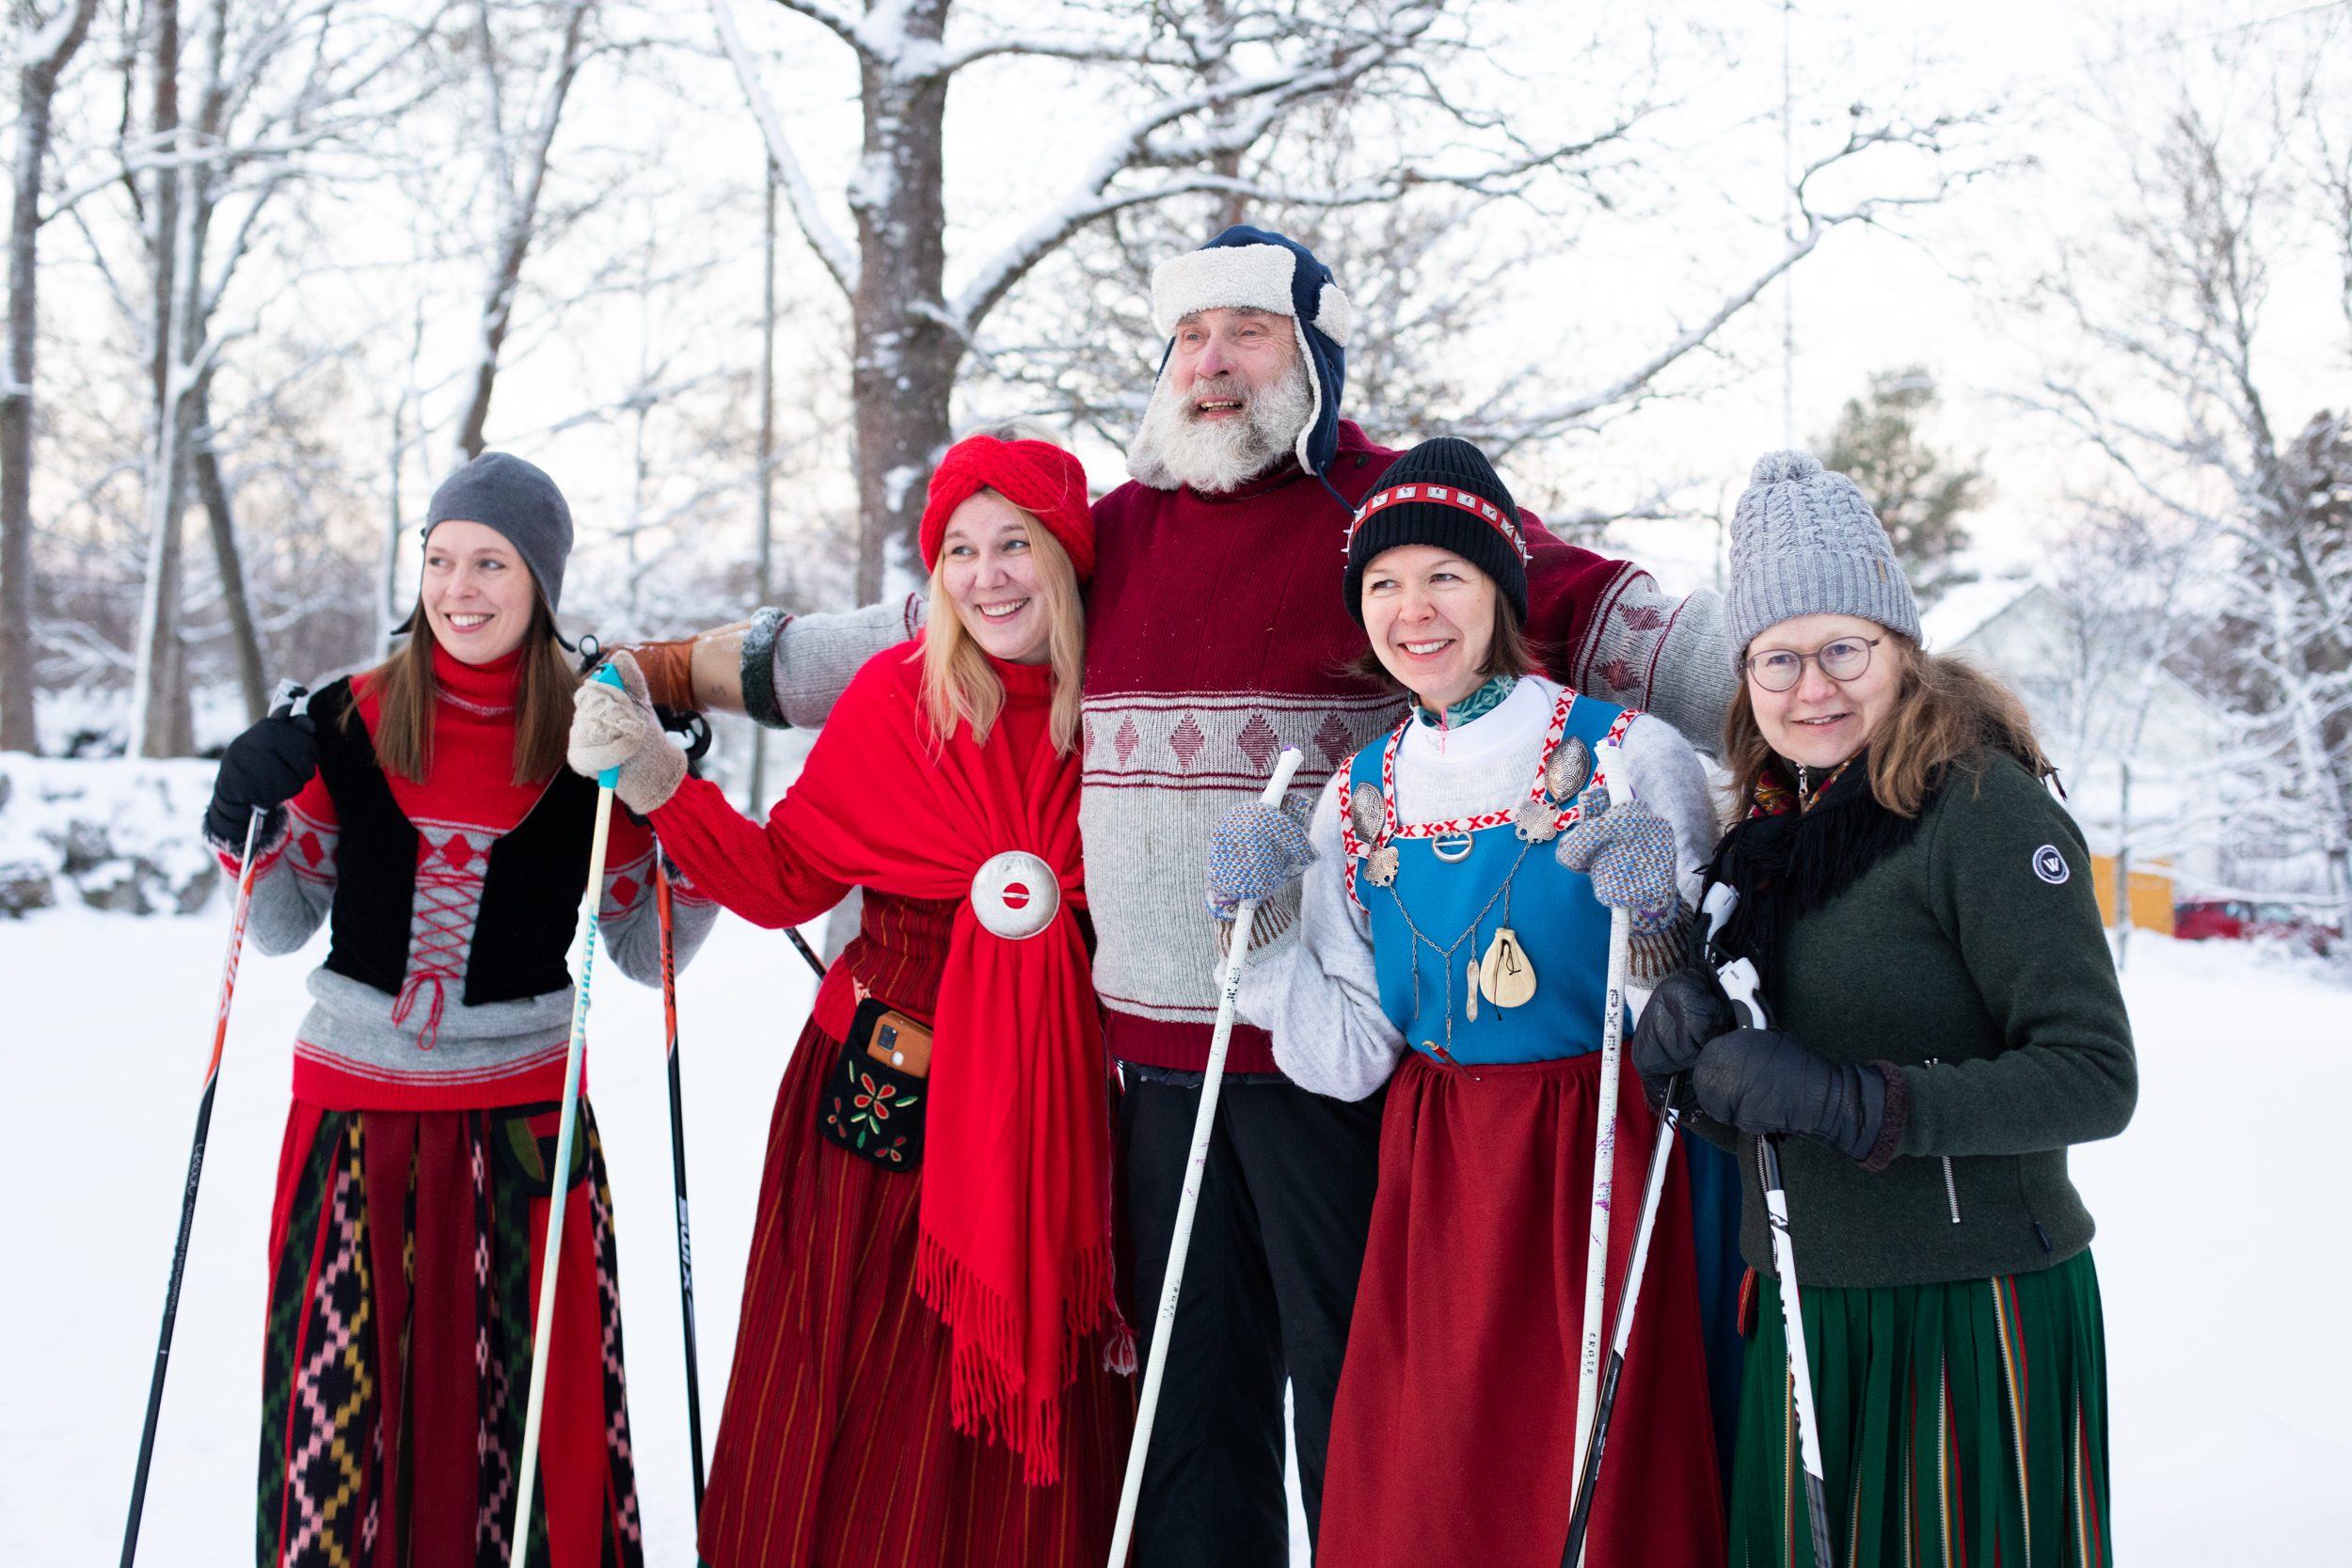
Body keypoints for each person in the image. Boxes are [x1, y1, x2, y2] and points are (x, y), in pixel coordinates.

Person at [610, 226, 1741, 1564]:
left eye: (1246, 333)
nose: (1211, 365)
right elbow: (924, 627)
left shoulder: (1388, 521)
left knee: (1359, 1411)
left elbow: (1612, 617)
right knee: (1184, 1430)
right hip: (1145, 1071)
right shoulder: (1113, 535)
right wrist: (683, 668)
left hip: (1343, 1065)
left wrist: (1827, 686)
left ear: (1311, 357)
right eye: (1189, 338)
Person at [567, 431, 1133, 1568]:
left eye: (1014, 542)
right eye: (959, 550)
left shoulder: (1123, 722)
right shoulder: (894, 699)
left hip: (1043, 1120)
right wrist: (656, 779)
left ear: (1065, 557)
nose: (987, 575)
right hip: (874, 1107)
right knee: (837, 1397)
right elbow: (781, 881)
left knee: (1012, 1432)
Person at [1204, 436, 1727, 1567]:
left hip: (1600, 1153)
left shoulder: (1632, 756)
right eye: (1384, 584)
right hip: (1439, 1175)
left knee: (1593, 1473)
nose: (1414, 608)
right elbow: (1348, 1052)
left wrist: (1653, 920)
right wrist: (1260, 929)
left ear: (1500, 588)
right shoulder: (1356, 794)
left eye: (1444, 573)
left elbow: (1703, 1017)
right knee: (1432, 1484)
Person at [201, 452, 714, 1568]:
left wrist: (688, 814)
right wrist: (242, 812)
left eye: (490, 561)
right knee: (339, 1427)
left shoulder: (595, 735)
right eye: (440, 559)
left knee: (532, 1438)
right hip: (352, 1122)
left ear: (539, 581)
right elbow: (283, 922)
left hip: (527, 1129)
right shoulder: (346, 719)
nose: (459, 587)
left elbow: (642, 949)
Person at [1630, 450, 2137, 1567]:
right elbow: (1771, 1107)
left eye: (1842, 648)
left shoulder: (1980, 809)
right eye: (1777, 658)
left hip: (1964, 1304)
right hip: (1808, 1306)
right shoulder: (1767, 834)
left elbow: (2094, 1074)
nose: (1812, 686)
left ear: (1900, 647)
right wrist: (1690, 1067)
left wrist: (1865, 1101)